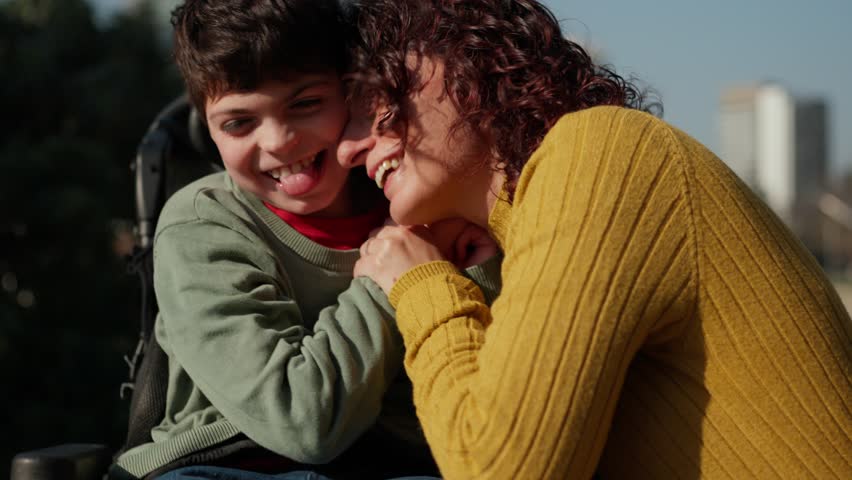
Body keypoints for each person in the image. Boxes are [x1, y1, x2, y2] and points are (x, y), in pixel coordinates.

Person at [336, 0, 852, 478]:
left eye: (378, 100)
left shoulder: (598, 154)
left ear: (468, 56)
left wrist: (421, 284)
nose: (347, 149)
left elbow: (499, 468)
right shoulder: (539, 209)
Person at [111, 1, 502, 479]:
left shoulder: (415, 198)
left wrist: (476, 267)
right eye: (238, 123)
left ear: (355, 94)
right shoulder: (203, 224)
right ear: (209, 130)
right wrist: (393, 280)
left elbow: (479, 386)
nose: (278, 141)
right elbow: (302, 424)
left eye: (306, 104)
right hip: (226, 462)